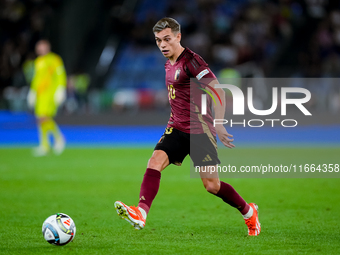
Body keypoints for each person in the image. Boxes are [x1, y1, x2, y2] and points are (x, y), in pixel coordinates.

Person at [114, 17, 261, 236]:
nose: (162, 45)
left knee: (212, 185)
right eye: (157, 40)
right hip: (176, 128)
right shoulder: (168, 62)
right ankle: (141, 213)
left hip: (201, 130)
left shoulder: (192, 61)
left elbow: (217, 91)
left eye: (167, 39)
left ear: (178, 36)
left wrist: (219, 124)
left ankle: (249, 212)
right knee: (154, 162)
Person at [27, 40, 67, 156]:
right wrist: (33, 91)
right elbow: (36, 78)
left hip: (50, 93)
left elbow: (60, 74)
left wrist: (60, 89)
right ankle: (45, 145)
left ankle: (58, 138)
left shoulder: (54, 59)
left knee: (44, 117)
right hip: (40, 95)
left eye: (42, 47)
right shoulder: (38, 61)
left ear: (48, 47)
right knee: (40, 119)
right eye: (38, 47)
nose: (40, 49)